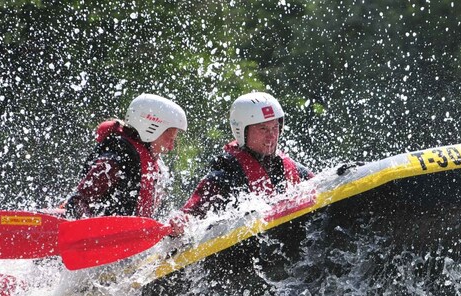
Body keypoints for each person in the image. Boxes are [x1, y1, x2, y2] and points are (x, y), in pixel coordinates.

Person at [169, 92, 314, 234]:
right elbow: (189, 215)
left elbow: (320, 185)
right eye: (263, 128)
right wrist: (180, 222)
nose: (272, 136)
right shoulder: (223, 178)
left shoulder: (292, 168)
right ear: (242, 132)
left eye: (275, 127)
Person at [62, 93, 187, 219]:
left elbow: (151, 219)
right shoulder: (116, 160)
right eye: (169, 138)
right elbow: (76, 202)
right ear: (151, 128)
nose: (171, 147)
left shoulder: (156, 167)